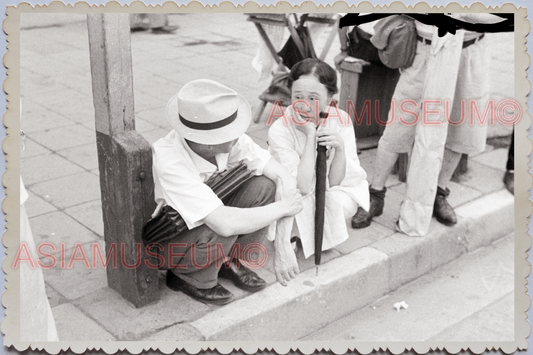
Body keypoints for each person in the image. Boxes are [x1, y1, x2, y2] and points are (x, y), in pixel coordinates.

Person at [150, 79, 302, 305]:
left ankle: (228, 259)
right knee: (226, 225)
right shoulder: (169, 160)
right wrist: (283, 208)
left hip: (211, 215)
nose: (238, 134)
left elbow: (284, 178)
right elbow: (225, 223)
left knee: (265, 186)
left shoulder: (230, 141)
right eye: (229, 133)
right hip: (171, 239)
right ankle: (188, 275)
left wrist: (282, 244)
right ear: (208, 142)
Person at [350, 14, 504, 231]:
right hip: (425, 50)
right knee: (399, 126)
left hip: (469, 51)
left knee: (462, 126)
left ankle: (438, 192)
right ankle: (375, 194)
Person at [268, 59, 370, 258]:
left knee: (340, 203)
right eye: (298, 96)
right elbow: (303, 186)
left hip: (327, 186)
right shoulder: (280, 128)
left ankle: (318, 235)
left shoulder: (340, 119)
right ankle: (291, 235)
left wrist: (339, 149)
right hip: (293, 188)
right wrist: (310, 135)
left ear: (330, 96)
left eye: (313, 98)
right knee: (298, 204)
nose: (304, 105)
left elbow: (335, 181)